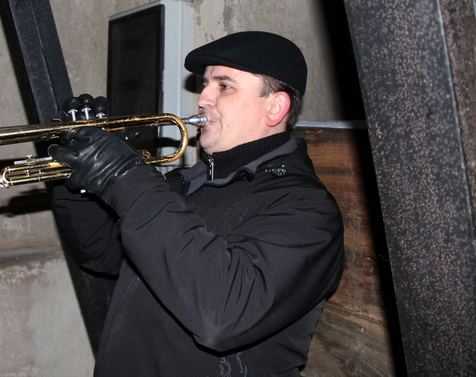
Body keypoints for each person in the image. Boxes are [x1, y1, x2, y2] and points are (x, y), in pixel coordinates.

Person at [49, 31, 345, 376]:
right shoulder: (188, 182)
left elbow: (223, 315)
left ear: (275, 107)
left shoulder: (306, 208)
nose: (203, 98)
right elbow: (101, 251)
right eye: (206, 84)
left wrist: (126, 179)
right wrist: (78, 175)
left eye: (224, 86)